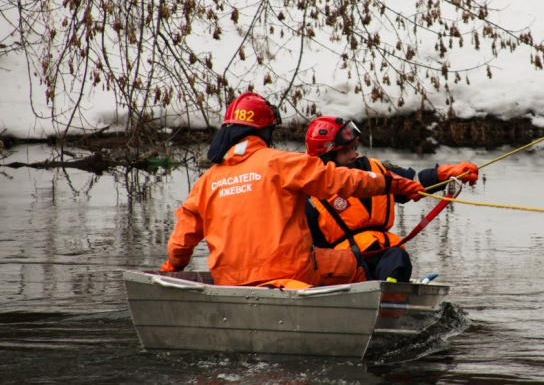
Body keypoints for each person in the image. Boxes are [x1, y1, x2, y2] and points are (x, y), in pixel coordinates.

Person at [159, 93, 425, 289]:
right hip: (292, 273)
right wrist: (388, 183)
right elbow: (339, 180)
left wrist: (174, 268)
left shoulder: (206, 182)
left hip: (229, 280)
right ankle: (381, 311)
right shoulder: (282, 163)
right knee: (358, 262)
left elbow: (182, 239)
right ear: (265, 131)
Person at [303, 116, 479, 282]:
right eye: (345, 151)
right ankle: (387, 291)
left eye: (354, 148)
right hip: (342, 270)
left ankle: (391, 290)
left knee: (397, 256)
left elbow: (413, 181)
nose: (353, 155)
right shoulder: (307, 191)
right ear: (326, 157)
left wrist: (445, 174)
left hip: (386, 258)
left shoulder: (378, 168)